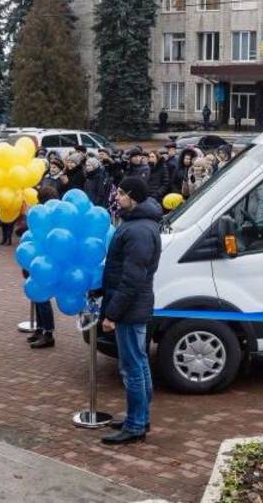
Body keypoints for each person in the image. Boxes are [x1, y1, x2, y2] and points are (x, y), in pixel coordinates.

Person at [99, 176, 162, 445]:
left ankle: (136, 425)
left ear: (133, 197)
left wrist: (112, 314)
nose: (118, 198)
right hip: (134, 306)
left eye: (122, 194)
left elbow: (131, 278)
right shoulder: (138, 224)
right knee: (139, 363)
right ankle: (140, 416)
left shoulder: (138, 230)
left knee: (132, 368)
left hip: (130, 308)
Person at [24, 186, 60, 349]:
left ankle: (48, 332)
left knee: (42, 296)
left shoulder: (52, 216)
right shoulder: (41, 213)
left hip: (46, 261)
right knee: (36, 295)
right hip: (36, 258)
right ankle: (40, 328)